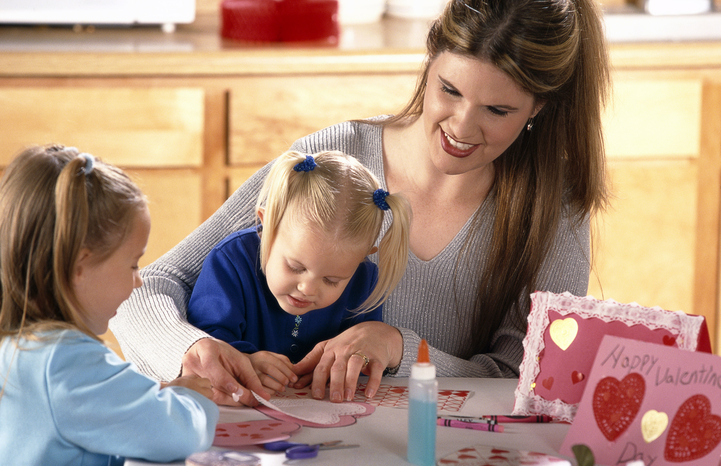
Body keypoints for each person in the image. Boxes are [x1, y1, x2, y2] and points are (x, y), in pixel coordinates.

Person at [111, 0, 609, 406]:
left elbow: (535, 378)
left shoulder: (554, 210)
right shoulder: (332, 160)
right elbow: (146, 287)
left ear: (538, 108)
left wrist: (400, 347)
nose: (460, 125)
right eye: (449, 90)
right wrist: (191, 349)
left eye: (496, 110)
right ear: (429, 62)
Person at [0, 145, 219, 466]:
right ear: (80, 266)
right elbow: (180, 434)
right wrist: (191, 397)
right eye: (133, 263)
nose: (139, 280)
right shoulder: (64, 360)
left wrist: (160, 391)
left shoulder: (18, 345)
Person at [186, 150, 410, 393]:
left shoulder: (364, 281)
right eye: (295, 267)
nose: (308, 288)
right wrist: (244, 361)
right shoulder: (230, 261)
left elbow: (362, 355)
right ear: (267, 224)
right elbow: (203, 344)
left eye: (332, 280)